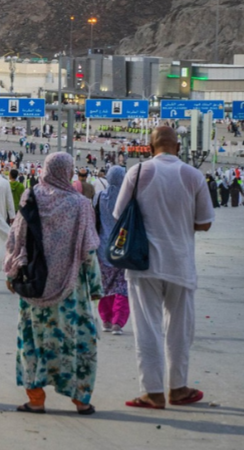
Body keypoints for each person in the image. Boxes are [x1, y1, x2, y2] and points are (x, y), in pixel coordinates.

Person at [114, 126, 213, 409]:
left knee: (147, 328)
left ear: (149, 148)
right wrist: (181, 221)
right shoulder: (193, 175)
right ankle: (178, 388)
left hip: (143, 264)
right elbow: (205, 222)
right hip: (180, 263)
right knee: (180, 329)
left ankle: (153, 392)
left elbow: (120, 214)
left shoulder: (137, 172)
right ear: (178, 148)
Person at [4, 152, 101, 415]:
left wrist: (12, 273)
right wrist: (95, 287)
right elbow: (89, 251)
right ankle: (81, 399)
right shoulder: (81, 205)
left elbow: (16, 239)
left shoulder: (31, 196)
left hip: (35, 285)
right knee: (77, 341)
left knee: (33, 341)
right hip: (71, 289)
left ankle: (36, 399)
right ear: (68, 172)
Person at [94, 165, 129, 334]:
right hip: (123, 247)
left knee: (105, 285)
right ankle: (118, 322)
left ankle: (106, 320)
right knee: (122, 286)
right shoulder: (129, 198)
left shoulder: (99, 197)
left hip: (102, 247)